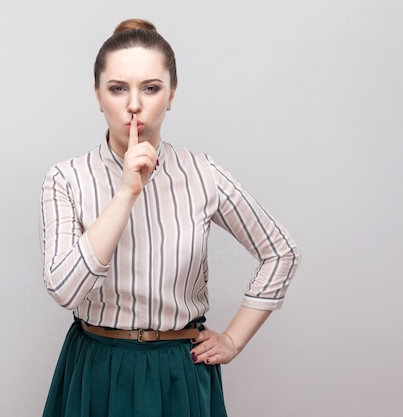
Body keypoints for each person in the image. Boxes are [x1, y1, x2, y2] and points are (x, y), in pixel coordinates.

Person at [38, 18, 301, 417]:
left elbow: (281, 252)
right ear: (97, 95)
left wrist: (233, 340)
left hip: (179, 371)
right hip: (96, 367)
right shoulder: (67, 179)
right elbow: (64, 290)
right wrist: (126, 192)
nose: (133, 104)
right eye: (117, 89)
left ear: (171, 94)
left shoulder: (202, 173)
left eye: (151, 88)